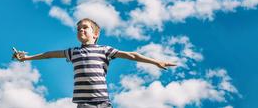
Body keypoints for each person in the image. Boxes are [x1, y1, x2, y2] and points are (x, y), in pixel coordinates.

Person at [12, 18, 176, 108]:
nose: (81, 30)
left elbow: (132, 55)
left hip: (103, 104)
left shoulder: (105, 50)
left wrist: (156, 62)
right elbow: (49, 55)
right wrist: (26, 58)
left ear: (95, 34)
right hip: (83, 105)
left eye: (85, 27)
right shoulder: (73, 52)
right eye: (78, 29)